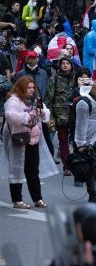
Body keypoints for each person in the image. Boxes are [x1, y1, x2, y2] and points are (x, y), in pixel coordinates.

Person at [2, 76, 58, 209]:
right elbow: (10, 115)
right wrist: (28, 117)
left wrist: (43, 113)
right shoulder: (14, 100)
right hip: (19, 139)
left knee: (33, 171)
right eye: (29, 87)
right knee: (17, 170)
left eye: (33, 87)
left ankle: (37, 199)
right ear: (22, 87)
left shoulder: (35, 100)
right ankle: (17, 200)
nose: (32, 90)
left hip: (34, 140)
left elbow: (46, 113)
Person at [44, 55, 76, 176]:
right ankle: (67, 166)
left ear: (71, 65)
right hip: (60, 115)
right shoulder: (54, 79)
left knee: (77, 142)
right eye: (63, 63)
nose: (65, 65)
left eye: (67, 63)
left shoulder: (77, 78)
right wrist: (50, 117)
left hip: (75, 115)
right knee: (63, 142)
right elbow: (48, 99)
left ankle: (78, 164)